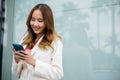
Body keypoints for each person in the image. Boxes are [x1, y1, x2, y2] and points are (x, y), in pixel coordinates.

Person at [12, 3, 63, 80]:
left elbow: (57, 73)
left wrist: (34, 62)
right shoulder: (24, 40)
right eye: (33, 20)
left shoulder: (55, 42)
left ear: (47, 23)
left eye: (40, 21)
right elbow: (15, 73)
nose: (35, 24)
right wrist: (17, 59)